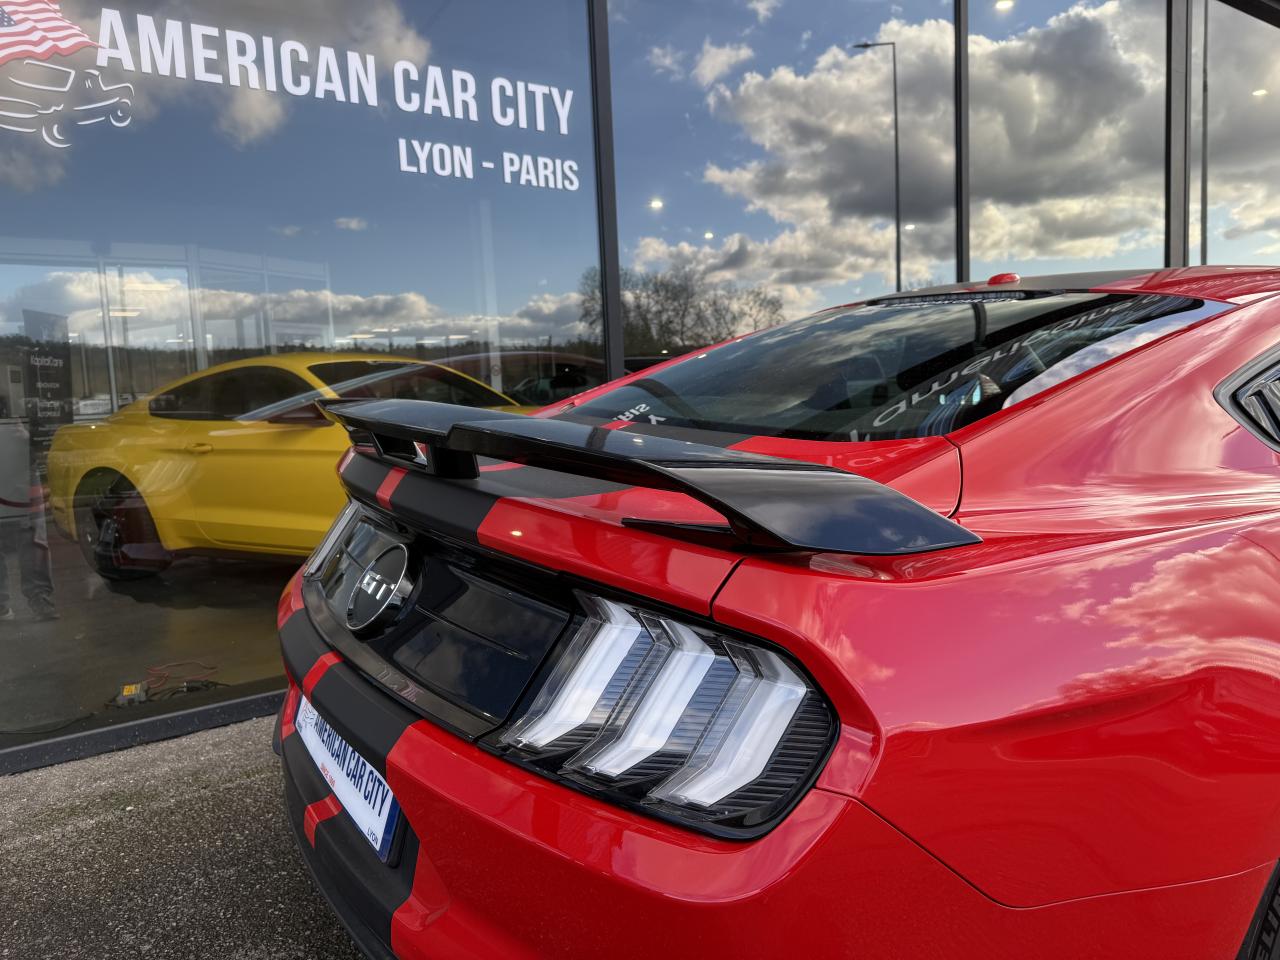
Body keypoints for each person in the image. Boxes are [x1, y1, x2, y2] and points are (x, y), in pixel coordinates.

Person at [0, 418, 57, 622]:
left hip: (21, 463)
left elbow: (45, 432)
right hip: (20, 459)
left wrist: (29, 439)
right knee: (32, 536)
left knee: (32, 534)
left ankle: (39, 597)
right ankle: (4, 604)